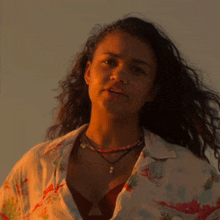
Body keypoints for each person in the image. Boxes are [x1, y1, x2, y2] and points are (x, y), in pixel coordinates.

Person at [1, 15, 220, 220]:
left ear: (152, 91)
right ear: (88, 73)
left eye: (137, 70)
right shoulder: (37, 167)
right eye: (110, 62)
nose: (119, 75)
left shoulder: (193, 177)